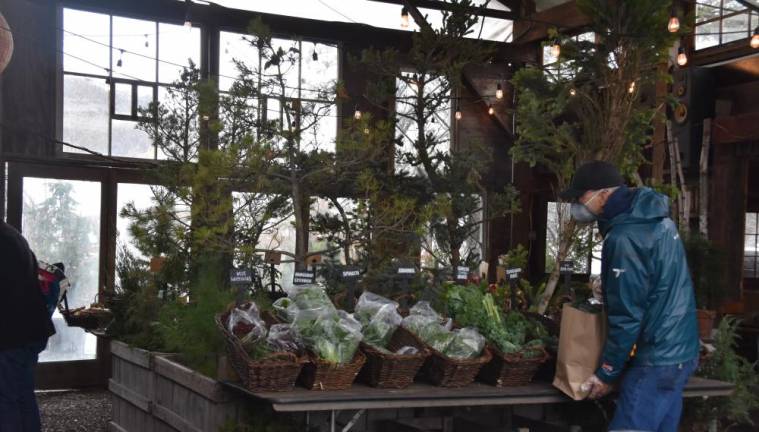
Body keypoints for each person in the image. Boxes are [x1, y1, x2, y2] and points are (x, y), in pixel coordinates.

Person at [560, 161, 699, 432]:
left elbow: (627, 316)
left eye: (581, 196)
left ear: (603, 194)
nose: (578, 203)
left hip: (656, 356)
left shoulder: (626, 237)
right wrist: (612, 284)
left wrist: (607, 372)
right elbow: (657, 282)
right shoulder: (656, 219)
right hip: (680, 351)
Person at [0, 220, 55, 432]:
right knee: (22, 395)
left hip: (10, 334)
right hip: (31, 330)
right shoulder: (12, 235)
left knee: (5, 400)